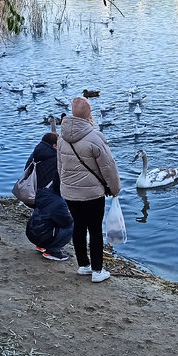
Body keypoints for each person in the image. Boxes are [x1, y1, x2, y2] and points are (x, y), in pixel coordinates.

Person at [58, 96, 121, 283]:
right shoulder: (95, 137)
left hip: (70, 192)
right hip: (92, 194)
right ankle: (97, 271)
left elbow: (59, 167)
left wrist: (65, 187)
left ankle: (83, 266)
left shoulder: (61, 138)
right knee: (94, 229)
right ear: (89, 114)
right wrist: (115, 189)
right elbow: (108, 167)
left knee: (78, 225)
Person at [25, 147, 73, 262]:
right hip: (43, 235)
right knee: (74, 225)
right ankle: (53, 250)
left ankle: (41, 245)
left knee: (48, 219)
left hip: (31, 233)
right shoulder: (59, 202)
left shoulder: (43, 192)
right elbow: (66, 221)